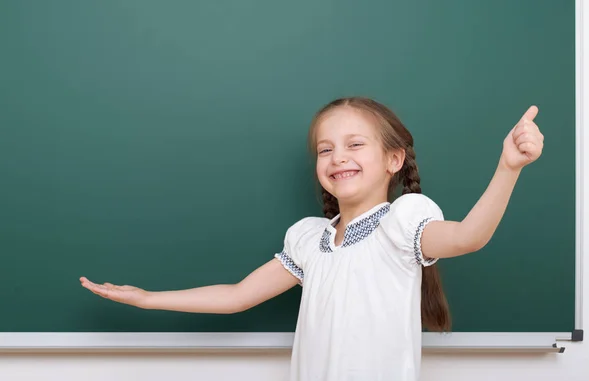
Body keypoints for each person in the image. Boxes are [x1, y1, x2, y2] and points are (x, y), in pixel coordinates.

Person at [80, 97, 544, 381]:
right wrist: (148, 299)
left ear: (394, 159)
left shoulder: (402, 222)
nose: (338, 157)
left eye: (355, 144)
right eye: (326, 149)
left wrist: (508, 168)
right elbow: (238, 295)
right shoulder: (310, 239)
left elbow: (467, 237)